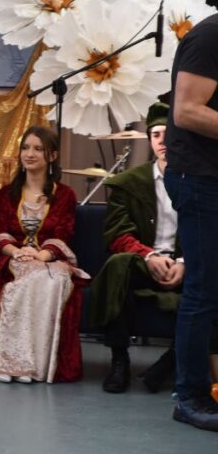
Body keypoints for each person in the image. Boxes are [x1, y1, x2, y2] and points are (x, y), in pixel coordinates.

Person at [0, 125, 88, 383]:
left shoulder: (65, 195)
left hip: (48, 259)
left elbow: (63, 232)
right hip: (13, 257)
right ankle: (6, 363)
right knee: (26, 277)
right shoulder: (5, 194)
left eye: (38, 148)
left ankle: (34, 365)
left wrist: (41, 255)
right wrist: (17, 252)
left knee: (56, 280)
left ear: (52, 156)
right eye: (25, 148)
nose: (30, 154)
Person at [90, 102, 181, 394]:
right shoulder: (128, 183)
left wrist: (184, 262)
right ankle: (119, 360)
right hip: (142, 263)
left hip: (186, 266)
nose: (162, 142)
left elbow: (208, 232)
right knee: (117, 265)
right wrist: (148, 255)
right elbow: (117, 233)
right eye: (156, 135)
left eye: (168, 134)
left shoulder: (200, 183)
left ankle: (170, 363)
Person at [163, 12, 218, 431]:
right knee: (203, 289)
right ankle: (190, 396)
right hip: (200, 179)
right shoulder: (211, 36)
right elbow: (186, 111)